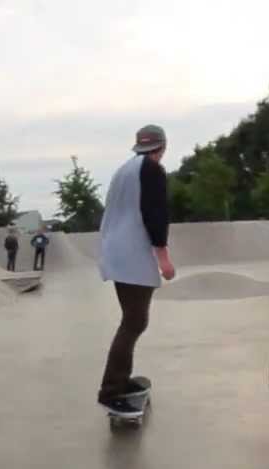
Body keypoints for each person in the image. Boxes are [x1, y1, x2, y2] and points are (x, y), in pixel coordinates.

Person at [96, 124, 175, 417]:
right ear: (162, 147)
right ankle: (111, 391)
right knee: (134, 321)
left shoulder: (125, 170)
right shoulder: (152, 170)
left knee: (133, 320)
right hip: (132, 252)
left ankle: (121, 380)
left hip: (116, 249)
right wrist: (163, 257)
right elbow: (156, 213)